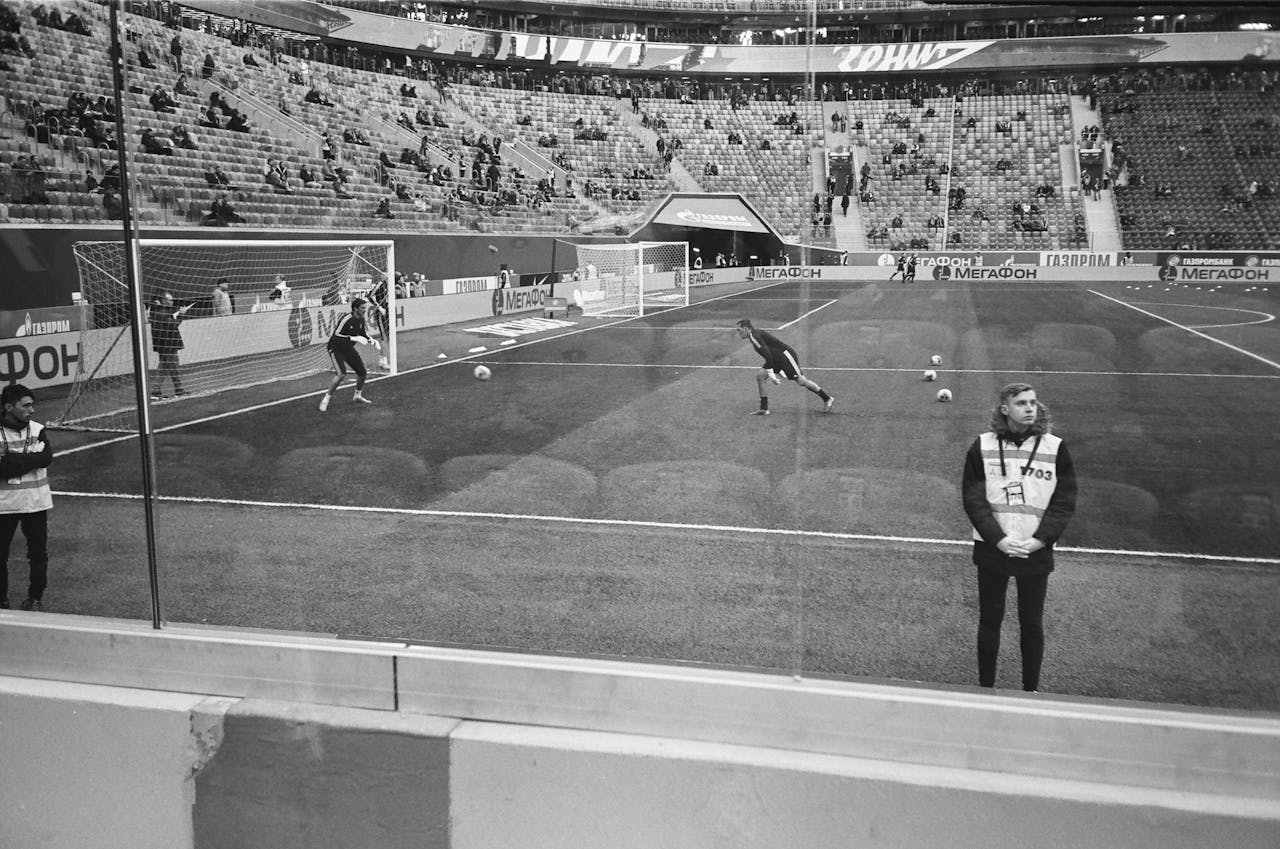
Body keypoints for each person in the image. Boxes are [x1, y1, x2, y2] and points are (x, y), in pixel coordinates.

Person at [962, 382, 1078, 693]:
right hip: (993, 549)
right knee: (990, 621)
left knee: (1031, 625)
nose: (1030, 408)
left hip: (1034, 550)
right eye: (1022, 403)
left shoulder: (1055, 447)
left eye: (1033, 402)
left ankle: (1031, 691)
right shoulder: (982, 446)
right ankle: (985, 688)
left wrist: (1039, 540)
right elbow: (973, 500)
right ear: (1005, 409)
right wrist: (998, 539)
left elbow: (1064, 503)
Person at [0, 384, 53, 612]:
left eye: (32, 405)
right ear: (9, 407)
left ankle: (35, 597)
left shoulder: (37, 429)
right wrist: (31, 459)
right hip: (5, 506)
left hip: (36, 503)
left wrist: (13, 463)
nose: (32, 410)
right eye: (26, 405)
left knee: (38, 554)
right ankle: (1, 600)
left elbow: (47, 457)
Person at [735, 319, 834, 416]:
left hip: (786, 357)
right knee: (760, 376)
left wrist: (772, 375)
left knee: (801, 381)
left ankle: (827, 398)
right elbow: (769, 356)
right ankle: (764, 409)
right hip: (775, 359)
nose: (738, 333)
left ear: (746, 329)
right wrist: (773, 372)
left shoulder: (755, 337)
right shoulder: (754, 335)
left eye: (739, 330)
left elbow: (768, 356)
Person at [318, 297, 379, 411]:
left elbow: (362, 333)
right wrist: (354, 338)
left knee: (362, 372)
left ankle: (357, 395)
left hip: (348, 348)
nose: (364, 310)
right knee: (341, 374)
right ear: (355, 309)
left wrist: (371, 340)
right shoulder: (346, 319)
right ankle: (325, 400)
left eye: (365, 308)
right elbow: (336, 336)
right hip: (335, 348)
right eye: (362, 308)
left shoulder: (361, 319)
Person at [148, 292, 193, 398]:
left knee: (163, 368)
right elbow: (173, 324)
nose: (172, 302)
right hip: (168, 344)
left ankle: (156, 390)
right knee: (174, 368)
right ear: (163, 300)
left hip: (163, 344)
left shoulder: (157, 311)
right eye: (170, 300)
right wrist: (181, 314)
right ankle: (179, 390)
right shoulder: (161, 312)